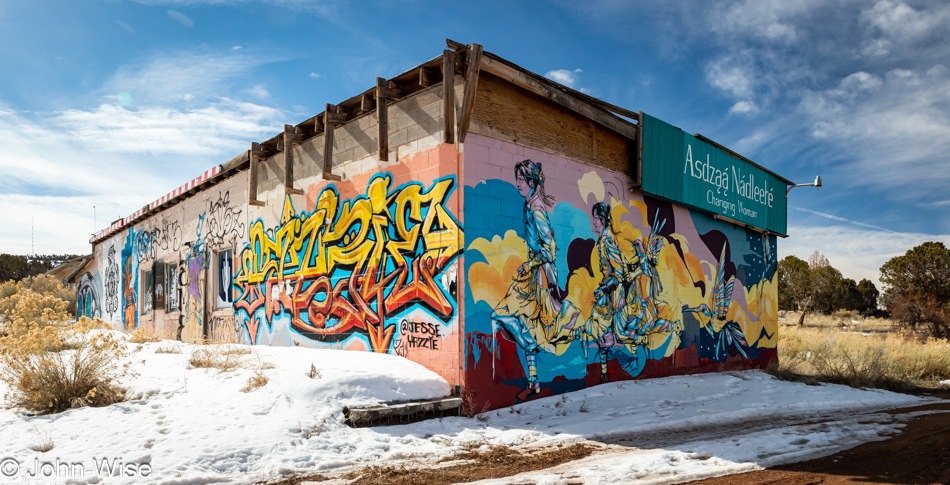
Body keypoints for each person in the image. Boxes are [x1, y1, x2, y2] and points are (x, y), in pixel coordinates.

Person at [491, 160, 580, 400]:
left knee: (528, 322)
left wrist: (530, 265)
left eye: (520, 179)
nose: (516, 183)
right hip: (533, 273)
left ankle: (574, 329)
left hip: (540, 275)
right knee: (519, 322)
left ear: (531, 182)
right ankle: (534, 382)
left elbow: (550, 249)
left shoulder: (536, 209)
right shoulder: (529, 204)